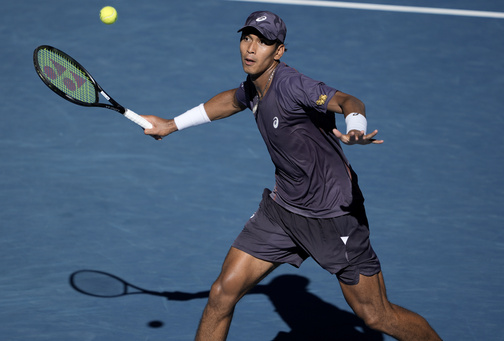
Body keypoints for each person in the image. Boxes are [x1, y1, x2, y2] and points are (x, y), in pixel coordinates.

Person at [142, 11, 441, 341]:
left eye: (264, 42)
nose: (251, 48)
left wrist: (355, 126)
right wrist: (171, 125)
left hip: (333, 217)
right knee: (222, 293)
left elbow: (346, 100)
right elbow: (232, 99)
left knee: (376, 315)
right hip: (282, 212)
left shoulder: (293, 85)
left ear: (279, 51)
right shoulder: (255, 87)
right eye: (247, 38)